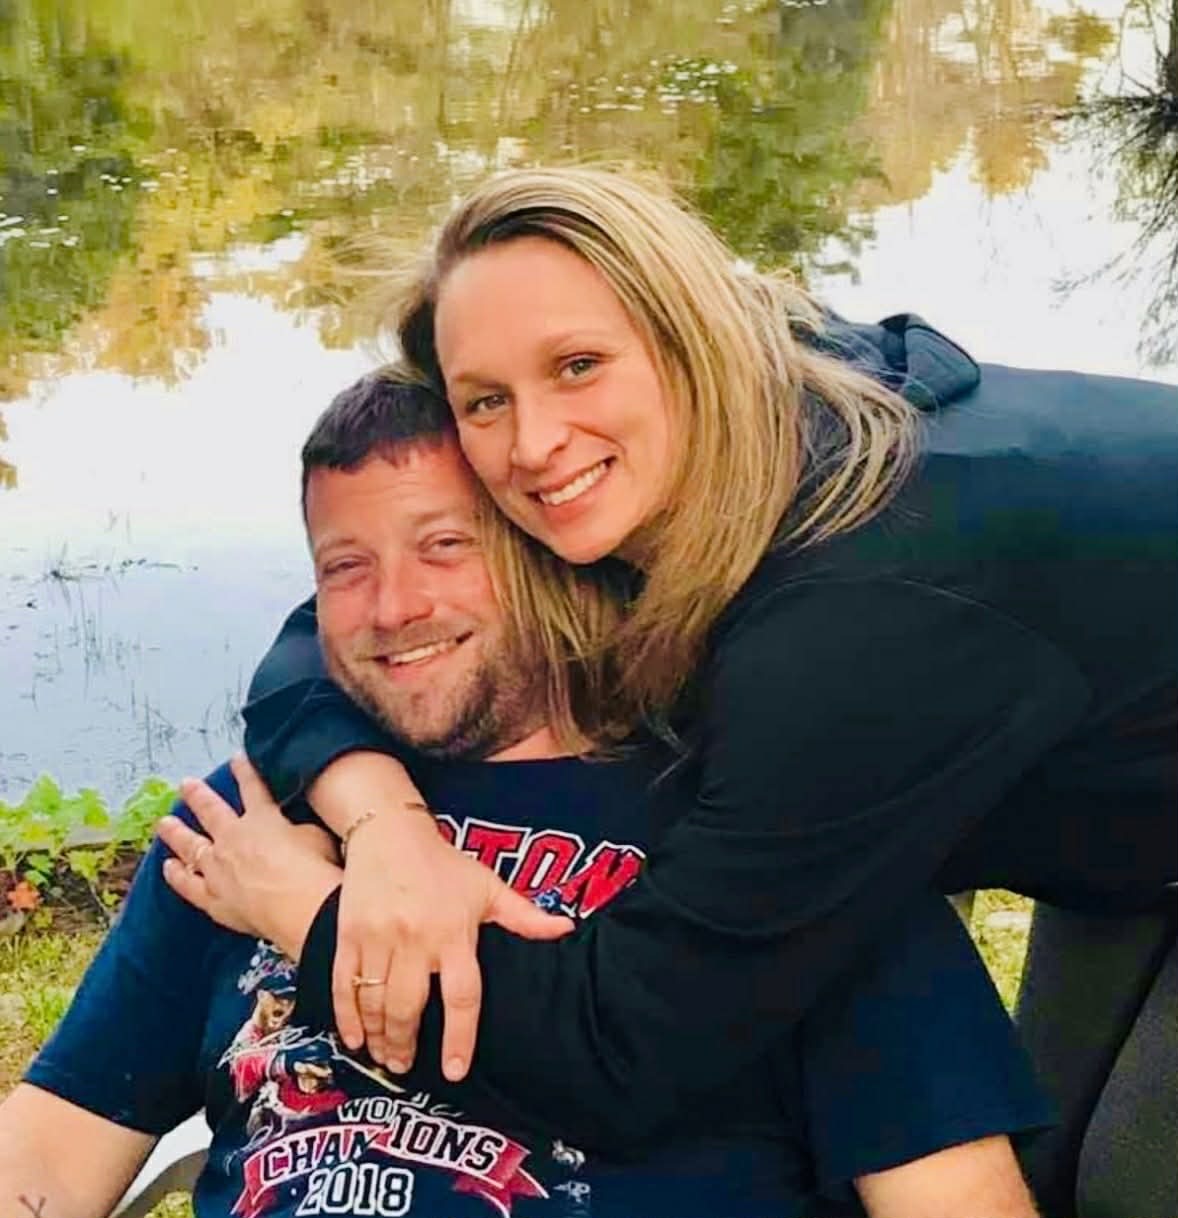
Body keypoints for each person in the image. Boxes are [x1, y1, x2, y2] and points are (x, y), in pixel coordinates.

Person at [241, 167, 1178, 1156]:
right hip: (1114, 796)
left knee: (1125, 1178)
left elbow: (618, 1054)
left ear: (691, 337)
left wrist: (309, 916)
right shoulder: (720, 427)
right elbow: (338, 632)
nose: (535, 443)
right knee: (1054, 1153)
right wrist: (388, 827)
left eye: (578, 365)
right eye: (484, 400)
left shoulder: (857, 612)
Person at [0, 371, 1048, 1218]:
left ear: (548, 548)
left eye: (445, 546)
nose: (393, 608)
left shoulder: (781, 825)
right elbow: (52, 1147)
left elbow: (954, 1196)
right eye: (344, 566)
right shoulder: (248, 833)